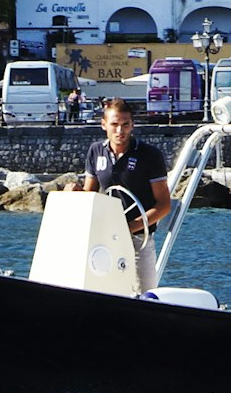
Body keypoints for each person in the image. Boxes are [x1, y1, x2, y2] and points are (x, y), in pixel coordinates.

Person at [72, 96, 173, 278]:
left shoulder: (149, 155)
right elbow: (90, 195)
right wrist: (73, 192)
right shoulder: (96, 151)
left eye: (125, 125)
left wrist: (128, 227)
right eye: (114, 124)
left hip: (138, 240)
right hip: (103, 238)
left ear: (132, 125)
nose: (120, 130)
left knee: (144, 295)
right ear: (104, 125)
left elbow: (164, 205)